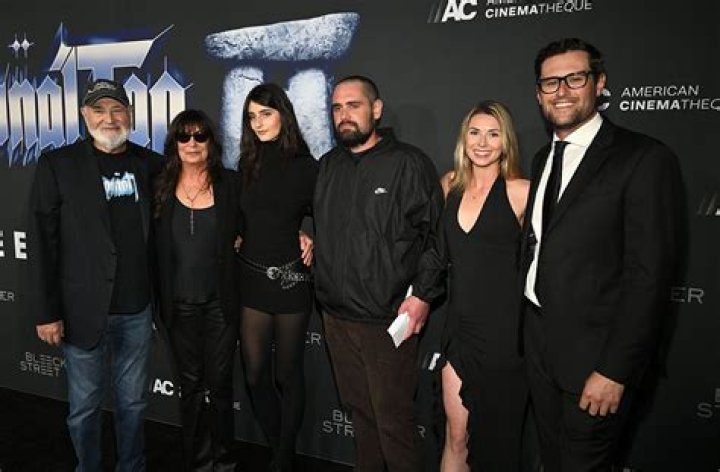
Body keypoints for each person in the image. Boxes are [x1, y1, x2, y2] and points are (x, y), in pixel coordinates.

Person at [521, 38, 684, 471]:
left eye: (574, 78)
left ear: (599, 83)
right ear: (538, 93)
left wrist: (615, 370)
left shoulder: (643, 158)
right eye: (550, 82)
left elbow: (649, 277)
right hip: (539, 348)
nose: (561, 91)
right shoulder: (542, 158)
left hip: (596, 361)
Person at [28, 78, 162, 471]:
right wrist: (47, 312)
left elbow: (197, 200)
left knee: (133, 404)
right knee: (84, 408)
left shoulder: (152, 164)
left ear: (130, 115)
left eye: (117, 109)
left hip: (137, 310)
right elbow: (42, 241)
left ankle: (131, 467)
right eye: (99, 110)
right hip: (81, 311)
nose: (109, 118)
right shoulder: (58, 165)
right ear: (85, 115)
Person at [314, 75, 446, 472]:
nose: (344, 115)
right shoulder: (328, 166)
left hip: (387, 320)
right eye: (337, 108)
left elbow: (436, 239)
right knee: (360, 415)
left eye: (353, 105)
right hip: (336, 317)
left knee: (393, 423)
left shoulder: (408, 164)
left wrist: (422, 295)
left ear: (376, 109)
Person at [439, 101, 529, 471]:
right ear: (464, 138)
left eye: (493, 134)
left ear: (506, 142)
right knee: (456, 435)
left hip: (504, 338)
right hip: (457, 330)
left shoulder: (521, 191)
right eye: (474, 132)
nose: (482, 143)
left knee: (496, 445)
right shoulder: (449, 185)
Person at [154, 109, 241, 471]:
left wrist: (299, 233)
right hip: (178, 306)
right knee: (190, 388)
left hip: (221, 304)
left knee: (219, 385)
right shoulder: (159, 186)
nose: (192, 143)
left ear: (211, 142)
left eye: (200, 136)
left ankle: (224, 463)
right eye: (184, 136)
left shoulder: (231, 184)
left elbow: (262, 222)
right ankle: (198, 462)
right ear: (174, 143)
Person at [236, 83, 317, 471]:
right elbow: (242, 218)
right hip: (252, 279)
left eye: (265, 114)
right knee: (254, 375)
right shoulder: (246, 164)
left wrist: (310, 234)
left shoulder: (307, 167)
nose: (258, 123)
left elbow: (329, 214)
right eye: (251, 117)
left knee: (287, 374)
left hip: (290, 281)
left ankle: (283, 458)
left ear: (283, 114)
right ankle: (277, 443)